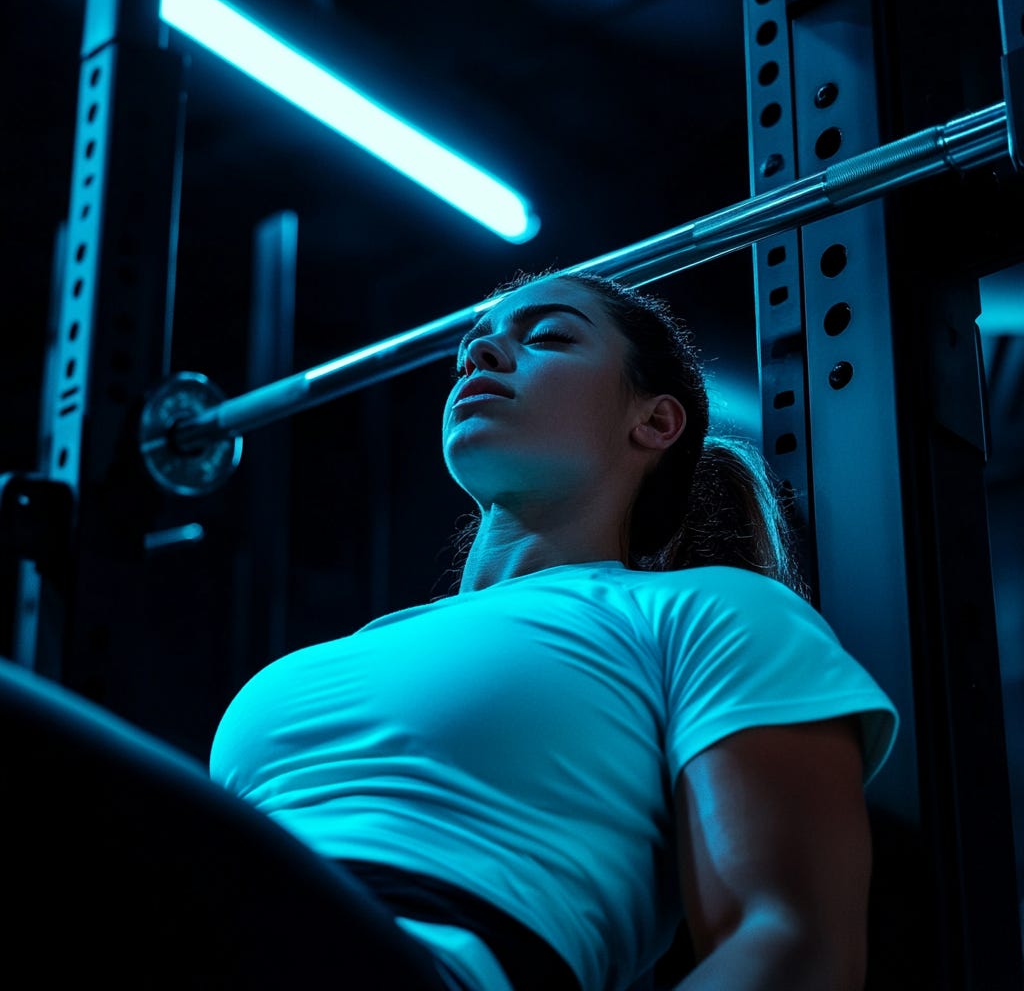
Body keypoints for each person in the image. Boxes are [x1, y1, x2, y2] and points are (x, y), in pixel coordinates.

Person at [3, 269, 898, 990]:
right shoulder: (343, 654)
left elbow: (788, 944)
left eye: (545, 336)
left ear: (655, 419)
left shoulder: (705, 608)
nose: (485, 352)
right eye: (475, 344)